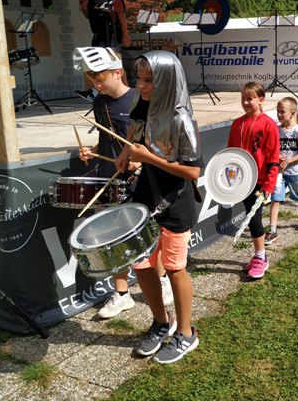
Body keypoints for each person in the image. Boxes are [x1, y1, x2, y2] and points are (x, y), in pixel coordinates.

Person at [115, 50, 203, 363]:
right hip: (145, 197)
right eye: (139, 78)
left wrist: (149, 158)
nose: (141, 85)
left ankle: (186, 333)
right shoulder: (141, 106)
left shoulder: (181, 118)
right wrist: (126, 152)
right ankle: (160, 322)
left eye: (150, 80)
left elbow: (193, 172)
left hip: (176, 202)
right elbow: (134, 133)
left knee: (176, 268)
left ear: (167, 80)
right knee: (141, 264)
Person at [74, 47, 174, 320]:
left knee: (149, 233)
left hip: (141, 177)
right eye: (92, 78)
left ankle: (162, 278)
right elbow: (109, 139)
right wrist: (91, 150)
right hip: (109, 175)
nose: (96, 83)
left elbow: (157, 140)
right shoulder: (99, 103)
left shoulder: (139, 99)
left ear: (118, 72)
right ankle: (121, 294)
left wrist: (142, 160)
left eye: (100, 77)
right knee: (114, 236)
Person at [227, 82, 280, 279]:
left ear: (261, 100)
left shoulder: (268, 124)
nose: (246, 102)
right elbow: (231, 154)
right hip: (242, 180)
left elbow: (274, 157)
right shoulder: (237, 124)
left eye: (250, 98)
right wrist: (229, 179)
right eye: (243, 98)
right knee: (250, 215)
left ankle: (261, 257)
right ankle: (258, 254)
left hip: (260, 180)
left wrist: (269, 184)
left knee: (254, 216)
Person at [77, 0, 131, 100]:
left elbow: (121, 12)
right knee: (107, 64)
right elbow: (89, 16)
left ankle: (98, 92)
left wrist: (125, 34)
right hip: (98, 34)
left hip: (111, 32)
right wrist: (84, 5)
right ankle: (119, 93)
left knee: (113, 63)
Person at [266, 97, 298, 245]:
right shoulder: (276, 129)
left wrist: (288, 161)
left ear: (292, 113)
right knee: (276, 199)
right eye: (277, 111)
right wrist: (277, 156)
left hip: (294, 172)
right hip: (280, 173)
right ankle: (272, 230)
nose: (279, 114)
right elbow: (273, 147)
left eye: (282, 112)